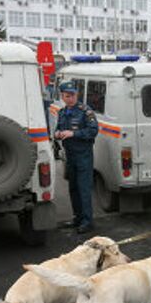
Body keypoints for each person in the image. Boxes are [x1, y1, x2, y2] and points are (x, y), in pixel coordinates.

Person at [54, 81, 98, 234]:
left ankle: (87, 221)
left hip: (83, 155)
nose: (71, 98)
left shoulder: (85, 111)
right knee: (73, 188)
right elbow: (57, 129)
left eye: (73, 95)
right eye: (67, 96)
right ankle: (78, 217)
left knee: (84, 188)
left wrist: (74, 133)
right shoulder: (62, 112)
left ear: (76, 95)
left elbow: (93, 131)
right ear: (63, 97)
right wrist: (57, 134)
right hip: (70, 155)